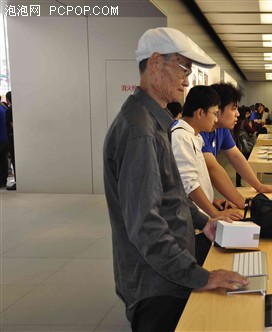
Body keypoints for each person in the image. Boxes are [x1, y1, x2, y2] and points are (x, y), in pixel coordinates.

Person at [102, 27, 248, 332]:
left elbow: (169, 194)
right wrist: (202, 277)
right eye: (184, 67)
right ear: (156, 63)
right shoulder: (140, 130)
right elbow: (146, 224)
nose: (187, 78)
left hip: (168, 272)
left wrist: (203, 221)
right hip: (157, 284)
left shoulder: (154, 122)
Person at [201, 83, 272, 209]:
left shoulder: (221, 129)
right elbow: (213, 169)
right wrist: (243, 203)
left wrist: (259, 186)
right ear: (217, 109)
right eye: (233, 109)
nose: (238, 113)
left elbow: (236, 157)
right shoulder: (198, 131)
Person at [171, 85, 241, 221]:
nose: (216, 120)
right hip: (191, 220)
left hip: (200, 212)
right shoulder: (180, 137)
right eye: (214, 114)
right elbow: (189, 185)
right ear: (200, 113)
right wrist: (215, 213)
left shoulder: (194, 136)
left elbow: (197, 180)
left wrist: (212, 201)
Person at [234, 106, 256, 187]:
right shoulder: (245, 122)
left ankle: (238, 183)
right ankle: (250, 183)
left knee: (239, 165)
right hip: (246, 146)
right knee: (247, 164)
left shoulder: (237, 122)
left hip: (238, 145)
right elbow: (252, 131)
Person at [0, 96, 8, 188]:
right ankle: (3, 181)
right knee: (3, 160)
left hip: (1, 139)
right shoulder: (3, 108)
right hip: (5, 138)